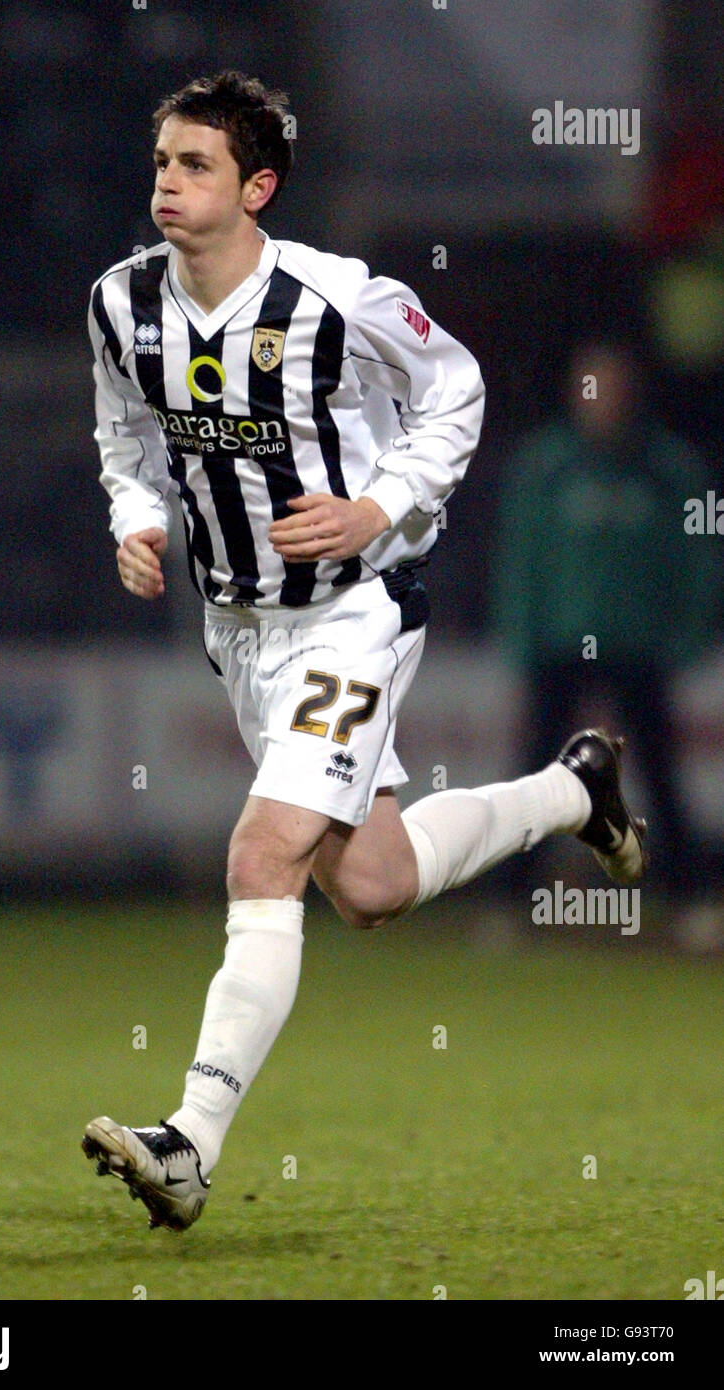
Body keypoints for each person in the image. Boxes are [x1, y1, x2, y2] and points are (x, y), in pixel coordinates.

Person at [81, 72, 647, 1231]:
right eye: (161, 164)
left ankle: (189, 1140)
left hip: (353, 607)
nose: (168, 184)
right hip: (238, 632)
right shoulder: (119, 303)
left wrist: (377, 504)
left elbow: (457, 390)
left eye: (195, 165)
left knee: (261, 852)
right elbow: (122, 432)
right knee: (374, 886)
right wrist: (134, 520)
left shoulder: (337, 298)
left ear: (258, 187)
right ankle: (573, 788)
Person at [491, 339, 713, 905]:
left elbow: (700, 560)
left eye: (614, 388)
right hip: (559, 647)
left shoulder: (667, 469)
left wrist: (689, 638)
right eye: (593, 387)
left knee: (660, 777)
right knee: (538, 775)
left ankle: (688, 898)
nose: (603, 401)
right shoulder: (546, 466)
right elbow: (519, 561)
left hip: (637, 645)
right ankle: (512, 901)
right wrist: (521, 640)